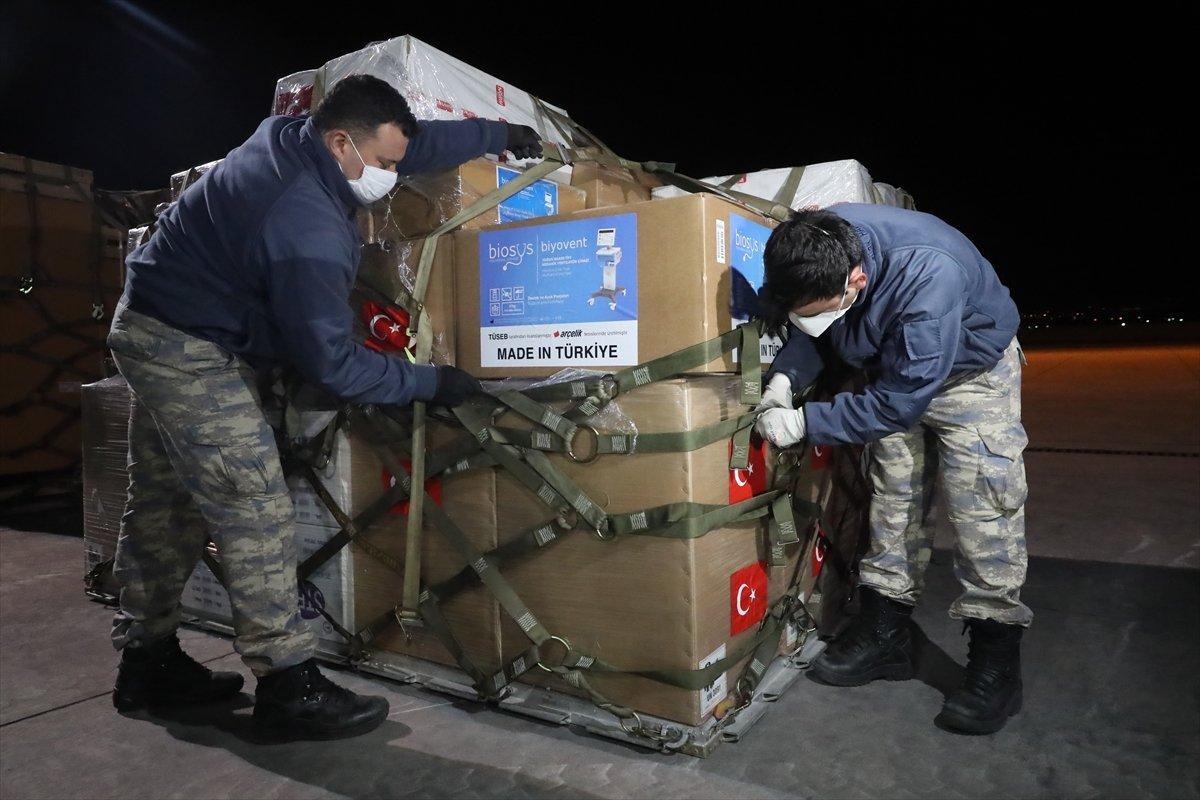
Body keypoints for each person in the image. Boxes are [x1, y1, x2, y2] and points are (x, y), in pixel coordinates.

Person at [106, 74, 543, 741]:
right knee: (251, 504)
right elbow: (333, 364)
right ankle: (288, 686)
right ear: (342, 143)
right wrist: (432, 383)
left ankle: (146, 663)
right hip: (182, 345)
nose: (393, 176)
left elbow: (412, 145)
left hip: (155, 318)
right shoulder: (305, 222)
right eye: (385, 164)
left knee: (167, 500)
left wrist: (500, 136)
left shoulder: (295, 136)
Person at [755, 203, 1029, 735]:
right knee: (894, 495)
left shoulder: (929, 274)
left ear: (856, 280)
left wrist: (804, 422)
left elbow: (900, 404)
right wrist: (785, 379)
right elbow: (813, 331)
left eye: (825, 307)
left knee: (982, 509)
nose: (814, 317)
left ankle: (997, 655)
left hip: (969, 375)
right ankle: (887, 631)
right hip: (890, 369)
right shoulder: (814, 243)